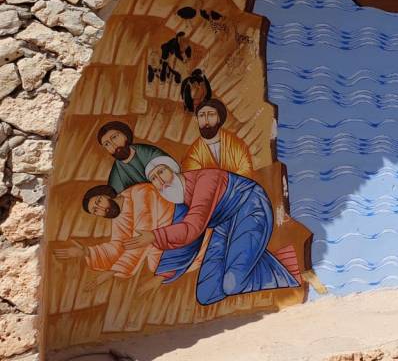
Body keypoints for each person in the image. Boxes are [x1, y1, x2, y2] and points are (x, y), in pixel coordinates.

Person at [126, 157, 300, 305]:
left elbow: (191, 228)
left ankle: (286, 272)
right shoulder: (180, 198)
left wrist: (154, 236)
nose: (160, 180)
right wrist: (162, 275)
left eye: (161, 171)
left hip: (250, 207)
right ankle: (258, 260)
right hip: (225, 224)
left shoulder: (205, 180)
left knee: (232, 284)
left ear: (173, 169)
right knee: (207, 293)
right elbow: (185, 242)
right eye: (154, 178)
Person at [54, 182, 175, 285]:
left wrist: (111, 272)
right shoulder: (118, 217)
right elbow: (119, 246)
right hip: (162, 247)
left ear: (106, 194)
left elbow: (141, 240)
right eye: (95, 210)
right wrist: (87, 252)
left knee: (156, 266)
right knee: (154, 265)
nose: (102, 209)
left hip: (176, 231)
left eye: (99, 201)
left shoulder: (140, 192)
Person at [181, 99, 254, 175]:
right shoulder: (193, 153)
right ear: (197, 119)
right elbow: (192, 176)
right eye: (202, 115)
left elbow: (246, 169)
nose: (206, 120)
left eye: (211, 115)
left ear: (219, 118)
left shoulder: (236, 144)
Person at [97, 121, 172, 194]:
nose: (113, 145)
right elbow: (116, 198)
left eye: (114, 137)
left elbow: (172, 173)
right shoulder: (116, 174)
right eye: (107, 144)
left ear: (125, 134)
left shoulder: (150, 153)